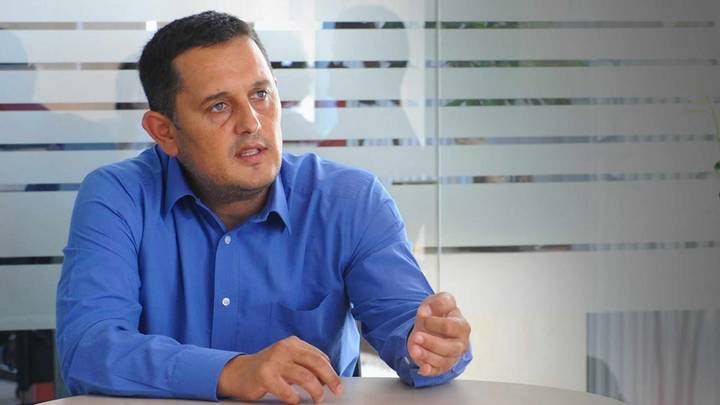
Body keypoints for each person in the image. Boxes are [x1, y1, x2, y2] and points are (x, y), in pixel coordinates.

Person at [56, 10, 472, 404]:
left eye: (260, 94)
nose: (252, 123)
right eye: (219, 106)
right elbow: (89, 348)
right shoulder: (118, 197)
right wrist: (231, 371)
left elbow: (408, 328)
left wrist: (434, 346)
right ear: (164, 132)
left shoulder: (349, 200)